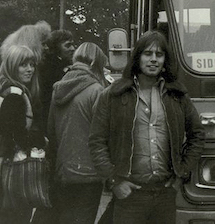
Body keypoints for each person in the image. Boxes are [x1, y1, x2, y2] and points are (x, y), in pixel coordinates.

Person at [89, 31, 205, 224]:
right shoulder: (113, 95)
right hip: (129, 196)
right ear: (137, 57)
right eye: (147, 54)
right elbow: (96, 141)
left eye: (159, 55)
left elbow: (198, 135)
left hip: (165, 195)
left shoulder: (177, 95)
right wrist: (114, 181)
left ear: (165, 60)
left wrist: (181, 173)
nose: (153, 60)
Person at [47, 42, 109, 224]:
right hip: (89, 173)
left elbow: (51, 130)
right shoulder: (96, 90)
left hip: (62, 170)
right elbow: (102, 133)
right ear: (95, 63)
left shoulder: (58, 88)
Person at [0, 45, 46, 224]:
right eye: (23, 65)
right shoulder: (15, 94)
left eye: (32, 64)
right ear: (12, 65)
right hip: (12, 169)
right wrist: (40, 140)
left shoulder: (4, 87)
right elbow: (14, 134)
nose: (29, 69)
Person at [38, 30, 76, 135]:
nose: (73, 49)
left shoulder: (68, 64)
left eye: (73, 44)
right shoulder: (47, 68)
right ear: (56, 48)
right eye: (67, 45)